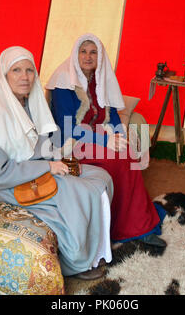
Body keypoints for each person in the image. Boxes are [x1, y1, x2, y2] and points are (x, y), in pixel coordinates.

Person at [0, 46, 114, 280]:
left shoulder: (31, 103)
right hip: (9, 183)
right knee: (77, 191)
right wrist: (47, 167)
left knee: (101, 177)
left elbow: (47, 138)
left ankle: (99, 248)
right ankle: (77, 263)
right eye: (16, 70)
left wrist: (59, 155)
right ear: (4, 74)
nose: (25, 77)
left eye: (29, 70)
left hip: (38, 166)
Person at [45, 33, 167, 247]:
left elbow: (111, 115)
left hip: (97, 136)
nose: (88, 57)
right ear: (75, 54)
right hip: (70, 142)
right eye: (83, 51)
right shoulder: (63, 80)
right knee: (117, 159)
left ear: (100, 56)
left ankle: (138, 223)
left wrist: (120, 135)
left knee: (127, 152)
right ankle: (121, 227)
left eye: (93, 52)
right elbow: (67, 127)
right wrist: (103, 143)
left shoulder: (100, 79)